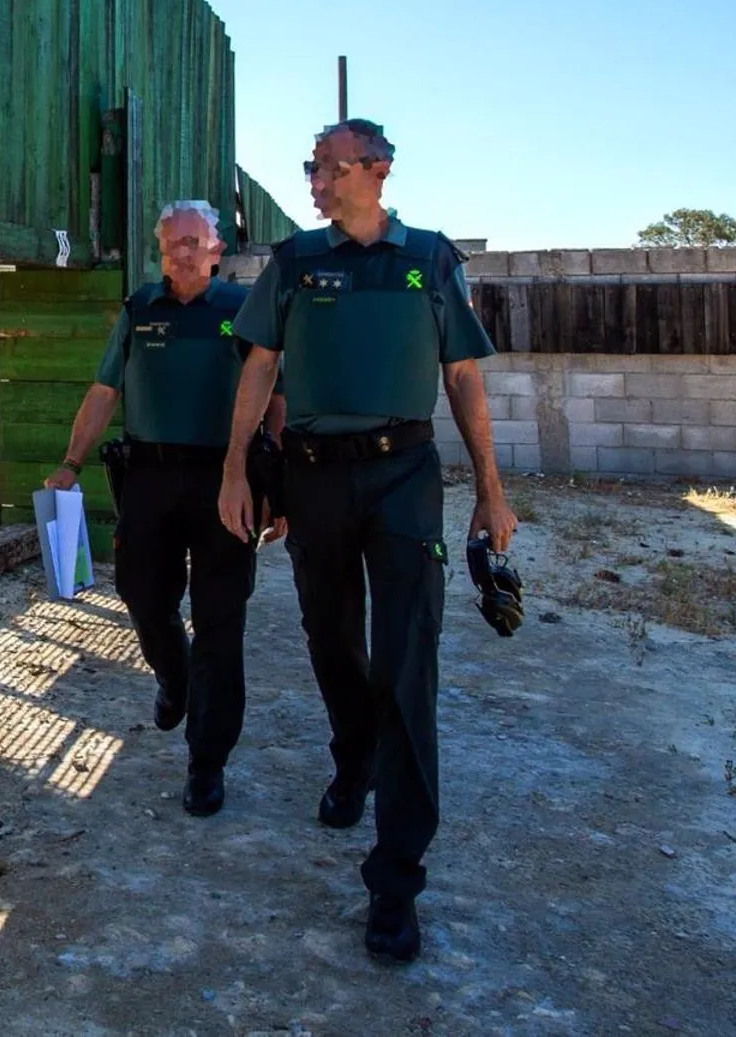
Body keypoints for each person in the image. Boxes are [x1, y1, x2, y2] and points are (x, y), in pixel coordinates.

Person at [216, 118, 517, 964]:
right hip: (314, 476)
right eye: (311, 167)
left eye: (325, 166)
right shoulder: (296, 261)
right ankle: (355, 754)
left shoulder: (429, 259)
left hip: (403, 475)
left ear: (375, 170)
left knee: (409, 660)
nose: (314, 180)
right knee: (332, 638)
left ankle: (396, 876)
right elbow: (258, 365)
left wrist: (490, 490)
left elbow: (462, 375)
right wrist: (237, 470)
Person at [46, 201, 285, 818]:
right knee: (142, 595)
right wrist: (71, 463)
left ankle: (207, 763)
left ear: (217, 248)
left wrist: (275, 483)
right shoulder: (139, 308)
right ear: (160, 251)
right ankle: (173, 677)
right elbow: (105, 391)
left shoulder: (243, 309)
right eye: (171, 242)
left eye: (192, 241)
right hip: (149, 475)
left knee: (220, 621)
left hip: (224, 478)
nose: (181, 252)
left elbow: (277, 399)